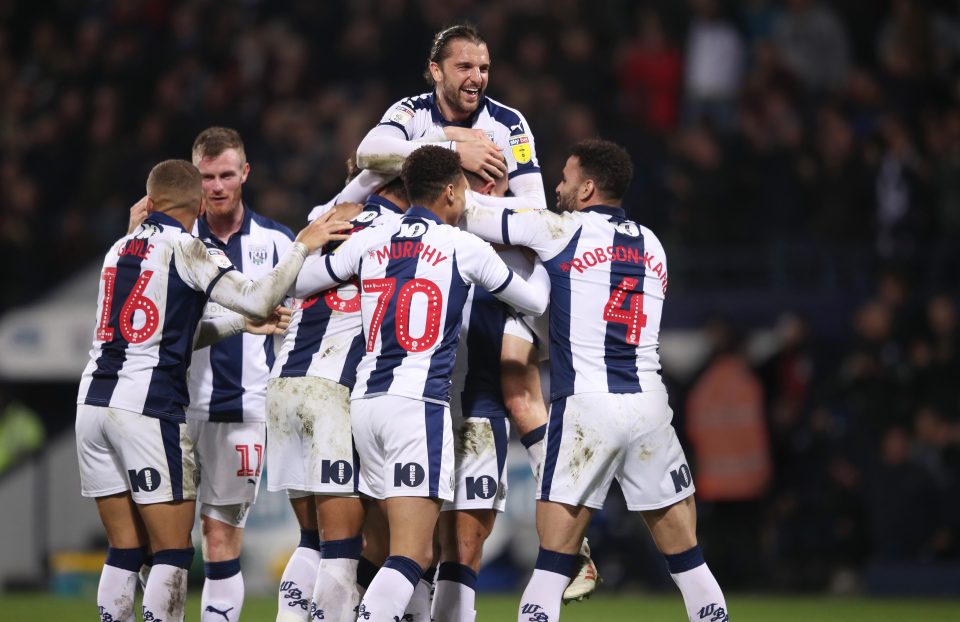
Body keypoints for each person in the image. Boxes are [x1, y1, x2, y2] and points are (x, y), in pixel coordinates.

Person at [355, 24, 599, 600]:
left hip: (490, 286)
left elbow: (536, 214)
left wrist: (470, 205)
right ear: (435, 71)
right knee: (399, 532)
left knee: (516, 389)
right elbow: (367, 153)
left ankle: (569, 524)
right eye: (464, 66)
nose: (477, 78)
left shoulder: (509, 124)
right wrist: (450, 151)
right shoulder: (411, 114)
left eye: (483, 67)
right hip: (425, 295)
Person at [461, 139, 728, 622]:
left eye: (564, 178)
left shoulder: (560, 229)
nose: (557, 187)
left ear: (586, 188)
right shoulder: (654, 244)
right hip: (648, 406)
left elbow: (468, 213)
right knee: (687, 560)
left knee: (552, 563)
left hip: (587, 407)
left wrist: (456, 156)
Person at [76, 159, 349, 622]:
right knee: (172, 553)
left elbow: (171, 331)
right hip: (147, 409)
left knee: (124, 549)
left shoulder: (117, 250)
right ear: (199, 203)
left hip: (92, 406)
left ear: (150, 201)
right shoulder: (187, 247)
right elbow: (261, 297)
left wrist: (239, 325)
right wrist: (302, 246)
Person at [292, 145, 549, 622]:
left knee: (381, 546)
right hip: (418, 407)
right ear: (451, 190)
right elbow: (533, 301)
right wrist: (546, 250)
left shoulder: (373, 238)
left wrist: (302, 243)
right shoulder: (462, 245)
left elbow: (304, 281)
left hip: (364, 406)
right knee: (413, 555)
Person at [267, 172, 409, 622]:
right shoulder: (395, 234)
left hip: (284, 383)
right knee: (343, 545)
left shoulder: (328, 218)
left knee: (310, 539)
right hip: (332, 390)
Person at [184, 127, 305, 622]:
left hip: (242, 411)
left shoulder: (278, 243)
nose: (216, 186)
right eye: (206, 177)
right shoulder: (177, 240)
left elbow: (297, 329)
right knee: (164, 542)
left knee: (220, 539)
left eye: (226, 175)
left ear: (245, 174)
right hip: (171, 409)